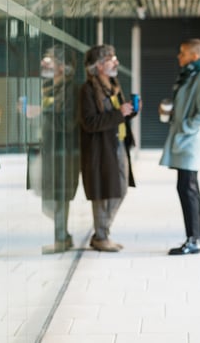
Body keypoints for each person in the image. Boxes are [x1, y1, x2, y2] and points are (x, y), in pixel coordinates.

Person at [160, 38, 200, 256]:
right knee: (188, 188)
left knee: (187, 188)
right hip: (184, 139)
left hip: (190, 141)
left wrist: (183, 126)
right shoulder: (189, 76)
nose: (178, 57)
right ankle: (194, 238)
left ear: (194, 56)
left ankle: (194, 240)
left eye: (182, 53)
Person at [79, 45, 136, 252]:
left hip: (117, 144)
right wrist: (119, 113)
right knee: (103, 192)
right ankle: (101, 236)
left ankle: (102, 232)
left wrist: (129, 111)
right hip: (100, 149)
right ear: (99, 65)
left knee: (119, 190)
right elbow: (90, 122)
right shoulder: (87, 90)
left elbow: (117, 115)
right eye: (112, 59)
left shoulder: (113, 85)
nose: (116, 63)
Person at [34, 44, 80, 254]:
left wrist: (41, 112)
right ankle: (63, 235)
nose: (44, 62)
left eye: (50, 59)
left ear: (62, 66)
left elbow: (68, 122)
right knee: (51, 194)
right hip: (49, 149)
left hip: (63, 151)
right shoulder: (47, 86)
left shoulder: (69, 89)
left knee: (58, 194)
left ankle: (61, 237)